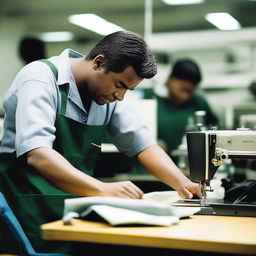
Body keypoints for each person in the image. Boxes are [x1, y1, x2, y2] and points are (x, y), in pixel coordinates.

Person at [0, 31, 201, 254]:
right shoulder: (40, 77)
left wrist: (184, 185)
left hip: (70, 213)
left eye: (128, 89)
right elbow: (38, 154)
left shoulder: (107, 97)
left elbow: (142, 144)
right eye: (120, 85)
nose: (121, 96)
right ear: (99, 63)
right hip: (26, 211)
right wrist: (103, 189)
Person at [156, 58, 218, 157]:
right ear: (170, 79)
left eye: (190, 92)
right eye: (183, 90)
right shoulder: (150, 99)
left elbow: (215, 130)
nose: (186, 96)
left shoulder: (198, 102)